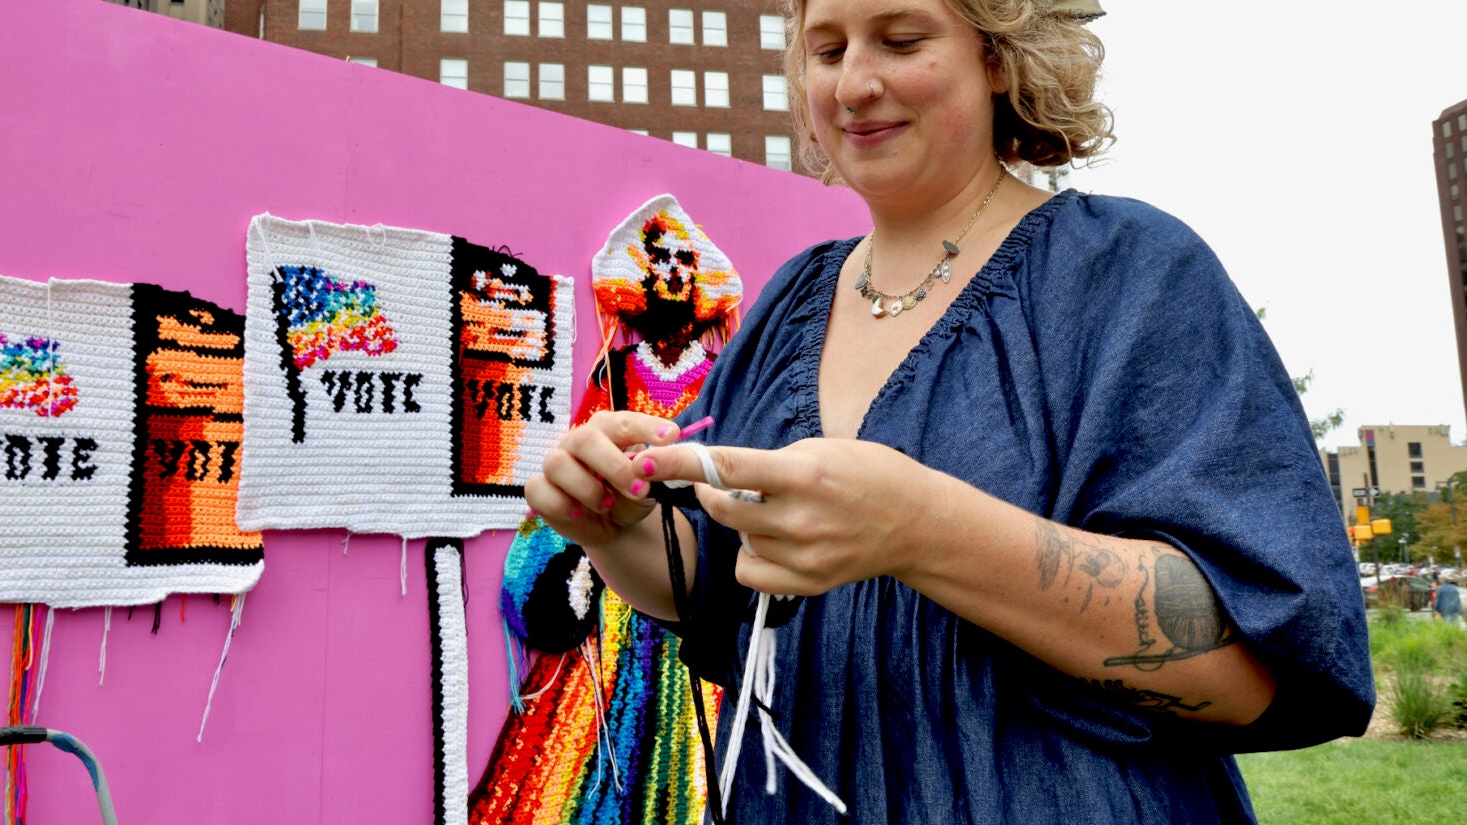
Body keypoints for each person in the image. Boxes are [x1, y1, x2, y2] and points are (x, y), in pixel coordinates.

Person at [524, 0, 1375, 821]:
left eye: (899, 39)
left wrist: (922, 528)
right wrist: (615, 521)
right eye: (827, 50)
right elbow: (711, 585)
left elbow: (1256, 664)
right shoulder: (790, 303)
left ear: (998, 58)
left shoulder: (1130, 272)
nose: (853, 83)